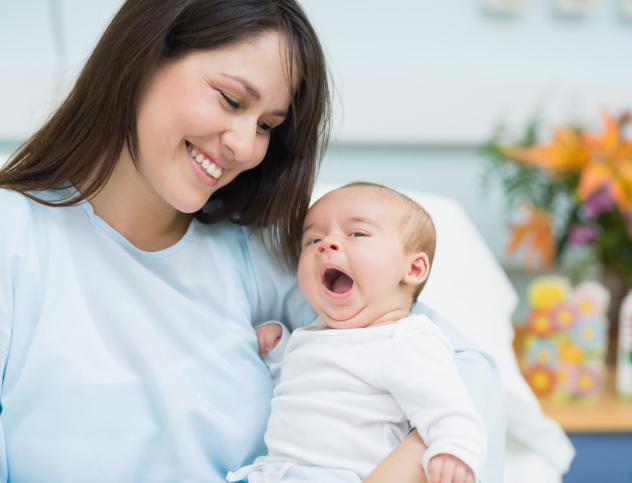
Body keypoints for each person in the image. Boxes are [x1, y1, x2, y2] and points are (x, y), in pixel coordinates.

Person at [0, 1, 502, 482]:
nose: (244, 146)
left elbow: (465, 371)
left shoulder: (259, 253)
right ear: (142, 58)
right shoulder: (16, 239)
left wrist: (412, 459)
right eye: (230, 99)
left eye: (266, 126)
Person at [230, 182, 483, 483]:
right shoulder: (311, 333)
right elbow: (307, 388)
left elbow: (449, 407)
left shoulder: (405, 339)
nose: (327, 244)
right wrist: (280, 351)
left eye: (357, 234)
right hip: (272, 472)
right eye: (312, 240)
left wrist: (453, 452)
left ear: (413, 269)